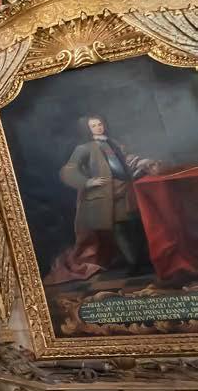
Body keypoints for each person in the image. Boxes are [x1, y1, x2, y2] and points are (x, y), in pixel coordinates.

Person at [46, 114, 160, 284]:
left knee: (136, 224)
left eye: (99, 124)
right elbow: (68, 171)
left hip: (126, 190)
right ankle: (134, 263)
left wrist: (142, 162)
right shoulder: (84, 148)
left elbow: (126, 160)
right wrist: (87, 182)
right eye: (93, 126)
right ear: (87, 129)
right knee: (120, 228)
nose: (98, 127)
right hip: (107, 195)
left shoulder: (114, 143)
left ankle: (144, 259)